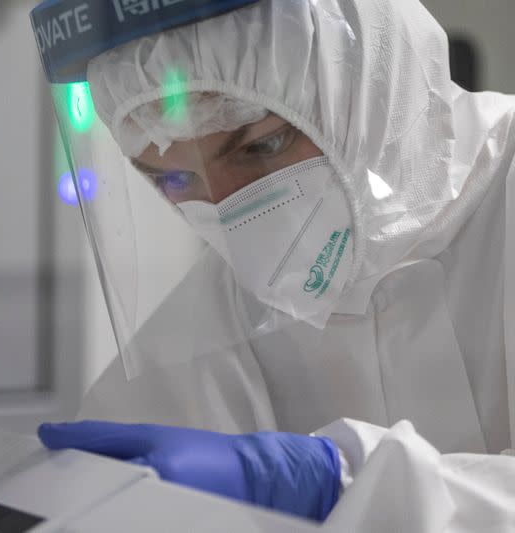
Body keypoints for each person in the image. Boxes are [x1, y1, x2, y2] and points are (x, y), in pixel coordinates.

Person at [30, 0, 515, 529]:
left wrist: (339, 483)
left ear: (371, 82)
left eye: (263, 146)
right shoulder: (220, 309)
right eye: (175, 180)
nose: (231, 211)